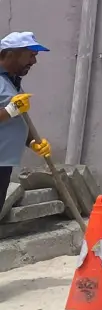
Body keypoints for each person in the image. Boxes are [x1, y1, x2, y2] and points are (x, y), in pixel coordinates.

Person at [0, 32, 50, 194]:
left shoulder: (11, 81)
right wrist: (12, 109)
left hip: (4, 163)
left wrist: (32, 141)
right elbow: (11, 112)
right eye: (30, 55)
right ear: (10, 55)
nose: (34, 61)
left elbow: (15, 118)